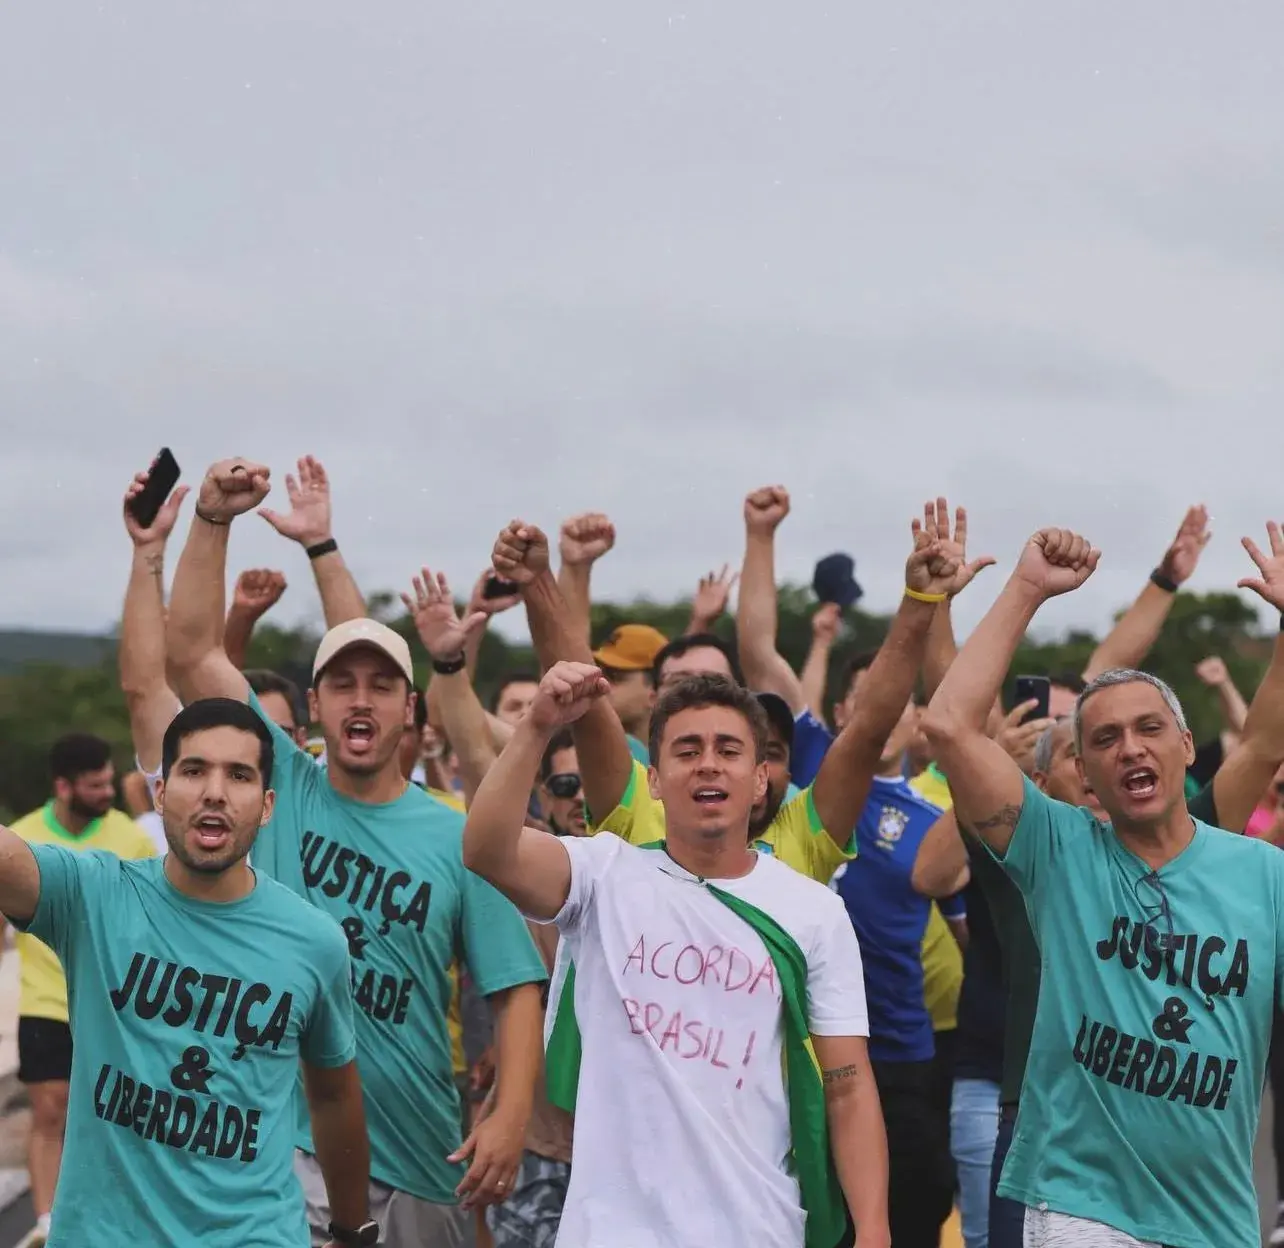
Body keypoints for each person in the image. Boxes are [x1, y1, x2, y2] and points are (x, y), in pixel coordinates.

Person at [164, 456, 548, 1248]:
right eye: (343, 684)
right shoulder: (286, 787)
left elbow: (514, 986)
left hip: (417, 1152)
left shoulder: (456, 834)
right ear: (315, 705)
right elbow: (190, 651)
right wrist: (211, 520)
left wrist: (510, 1118)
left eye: (381, 685)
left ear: (412, 710)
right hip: (281, 1145)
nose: (361, 698)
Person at [923, 526, 1284, 1248]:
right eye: (1105, 739)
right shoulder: (1058, 851)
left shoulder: (1261, 871)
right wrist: (1025, 588)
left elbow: (1271, 740)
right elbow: (950, 724)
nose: (1131, 748)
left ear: (1188, 747)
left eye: (1150, 728)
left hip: (1215, 1215)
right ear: (1082, 772)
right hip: (1078, 1202)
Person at [463, 661, 890, 1248]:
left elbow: (847, 1084)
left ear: (760, 778)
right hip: (610, 1231)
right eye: (687, 750)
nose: (709, 763)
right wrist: (536, 727)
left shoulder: (812, 911)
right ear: (655, 779)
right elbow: (486, 850)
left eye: (729, 750)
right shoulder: (602, 874)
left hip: (757, 1227)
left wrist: (873, 1228)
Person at [1, 699, 369, 1247]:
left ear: (267, 805)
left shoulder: (314, 942)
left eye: (239, 775)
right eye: (194, 770)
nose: (214, 791)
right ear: (159, 792)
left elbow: (334, 1098)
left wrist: (352, 1231)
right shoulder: (93, 896)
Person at [6, 733, 157, 1245]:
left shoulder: (131, 839)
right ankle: (47, 1223)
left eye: (109, 780)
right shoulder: (22, 838)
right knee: (50, 1109)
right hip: (45, 999)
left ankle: (110, 1214)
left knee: (112, 1115)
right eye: (95, 785)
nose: (108, 790)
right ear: (64, 787)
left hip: (111, 1005)